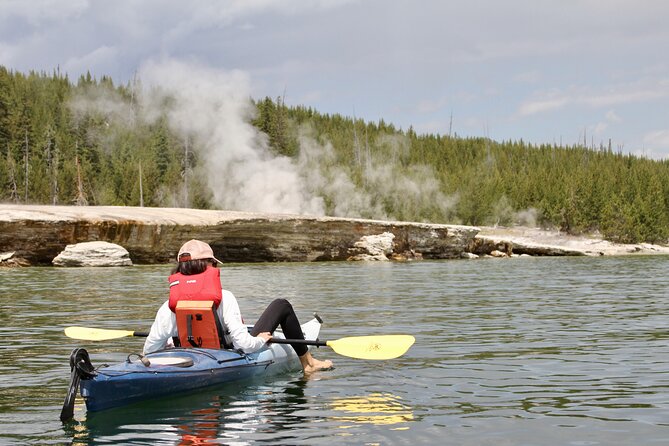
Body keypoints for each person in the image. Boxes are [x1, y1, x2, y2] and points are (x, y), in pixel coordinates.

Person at [143, 239, 333, 374]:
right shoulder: (224, 298)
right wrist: (259, 340)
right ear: (209, 265)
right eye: (214, 264)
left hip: (188, 357)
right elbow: (245, 346)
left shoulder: (169, 305)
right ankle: (308, 363)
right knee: (281, 305)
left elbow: (150, 349)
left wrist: (173, 345)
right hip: (226, 357)